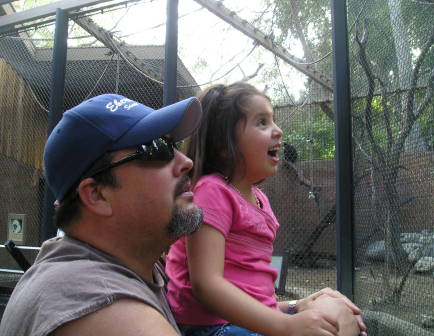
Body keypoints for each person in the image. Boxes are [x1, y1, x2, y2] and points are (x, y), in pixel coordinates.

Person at [165, 82, 367, 336]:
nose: (278, 131)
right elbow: (206, 285)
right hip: (211, 328)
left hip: (240, 323)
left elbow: (256, 296)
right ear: (224, 146)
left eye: (273, 121)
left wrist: (297, 306)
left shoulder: (258, 199)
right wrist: (287, 326)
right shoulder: (212, 191)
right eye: (262, 122)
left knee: (337, 314)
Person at [0, 93, 203, 336]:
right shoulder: (100, 307)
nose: (187, 162)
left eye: (174, 145)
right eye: (156, 149)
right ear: (97, 195)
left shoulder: (133, 266)